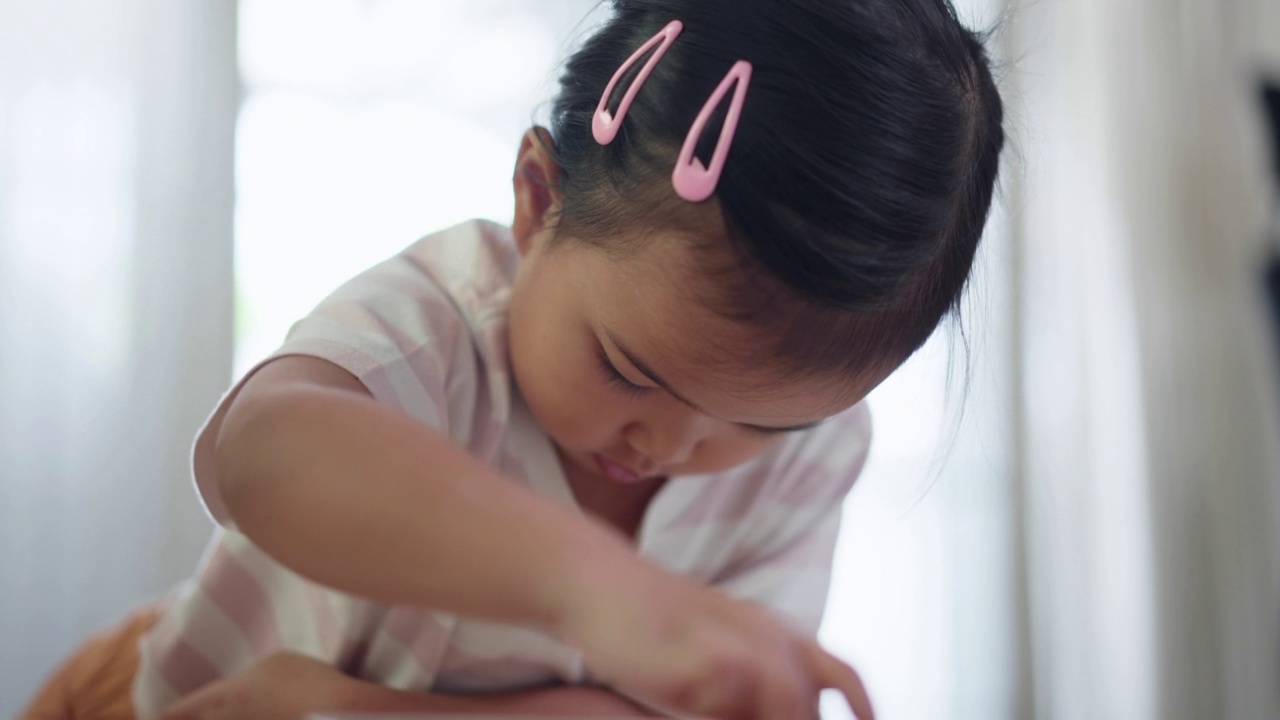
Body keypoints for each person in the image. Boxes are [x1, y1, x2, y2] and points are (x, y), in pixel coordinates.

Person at [20, 0, 1004, 718]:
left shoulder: (812, 452)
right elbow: (267, 452)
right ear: (537, 203)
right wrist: (602, 591)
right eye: (627, 369)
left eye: (761, 419)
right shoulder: (443, 324)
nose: (669, 441)